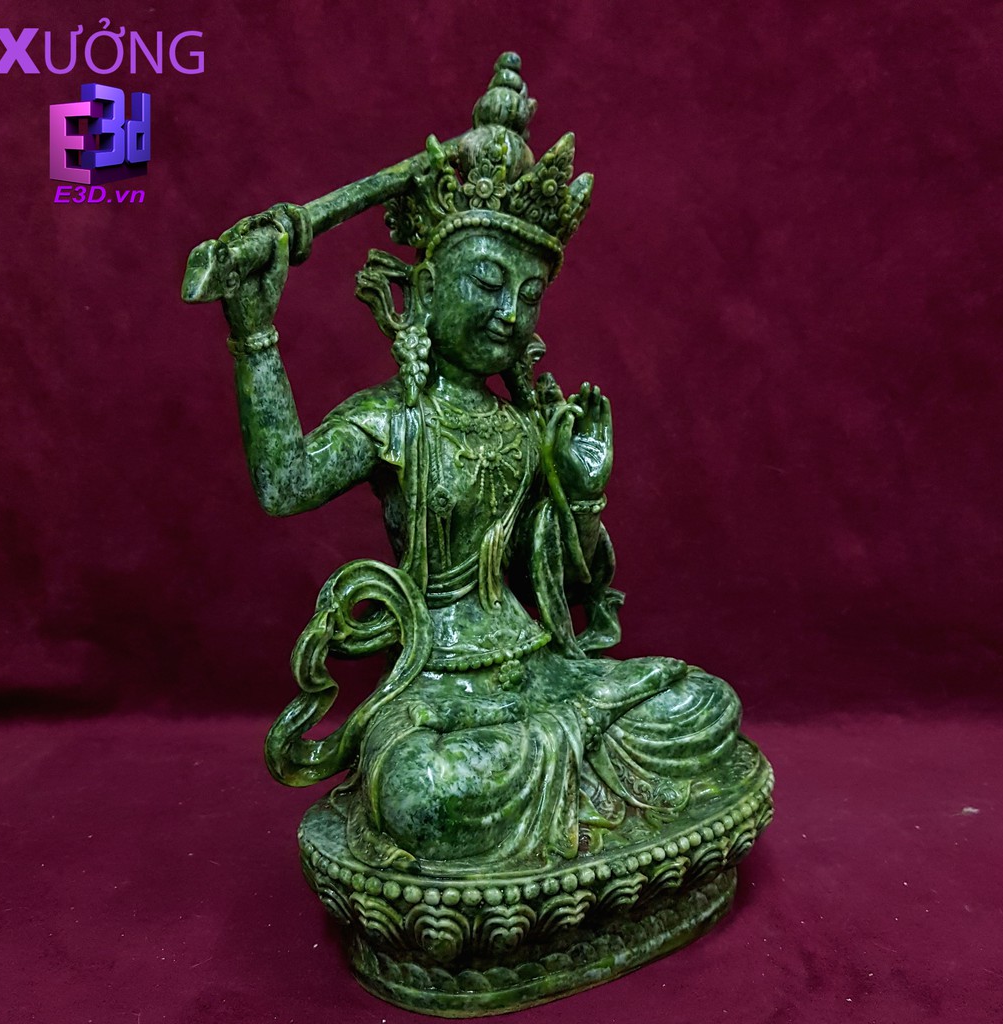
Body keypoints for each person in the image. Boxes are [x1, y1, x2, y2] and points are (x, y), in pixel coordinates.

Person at [218, 54, 754, 871]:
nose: (510, 313)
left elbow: (564, 587)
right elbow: (284, 484)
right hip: (440, 689)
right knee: (420, 790)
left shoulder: (525, 425)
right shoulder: (394, 417)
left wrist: (582, 493)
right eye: (489, 283)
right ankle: (555, 808)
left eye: (529, 297)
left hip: (540, 672)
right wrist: (256, 336)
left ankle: (565, 802)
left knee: (700, 703)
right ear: (428, 289)